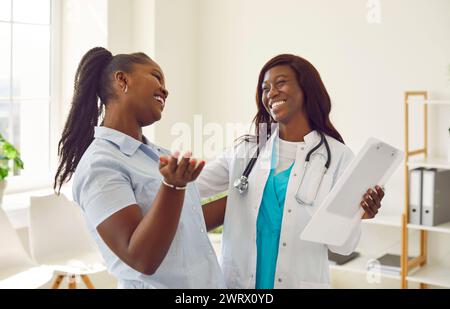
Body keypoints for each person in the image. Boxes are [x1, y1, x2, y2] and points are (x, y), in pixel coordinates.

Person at [195, 54, 385, 289]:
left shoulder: (338, 156)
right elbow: (193, 184)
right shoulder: (246, 151)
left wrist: (357, 216)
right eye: (265, 88)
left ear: (306, 89)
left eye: (281, 83)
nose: (271, 93)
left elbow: (342, 247)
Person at [54, 47, 225, 289]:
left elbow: (188, 220)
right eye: (156, 76)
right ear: (122, 80)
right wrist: (173, 186)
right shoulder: (99, 164)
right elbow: (140, 257)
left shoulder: (160, 156)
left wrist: (251, 196)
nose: (166, 89)